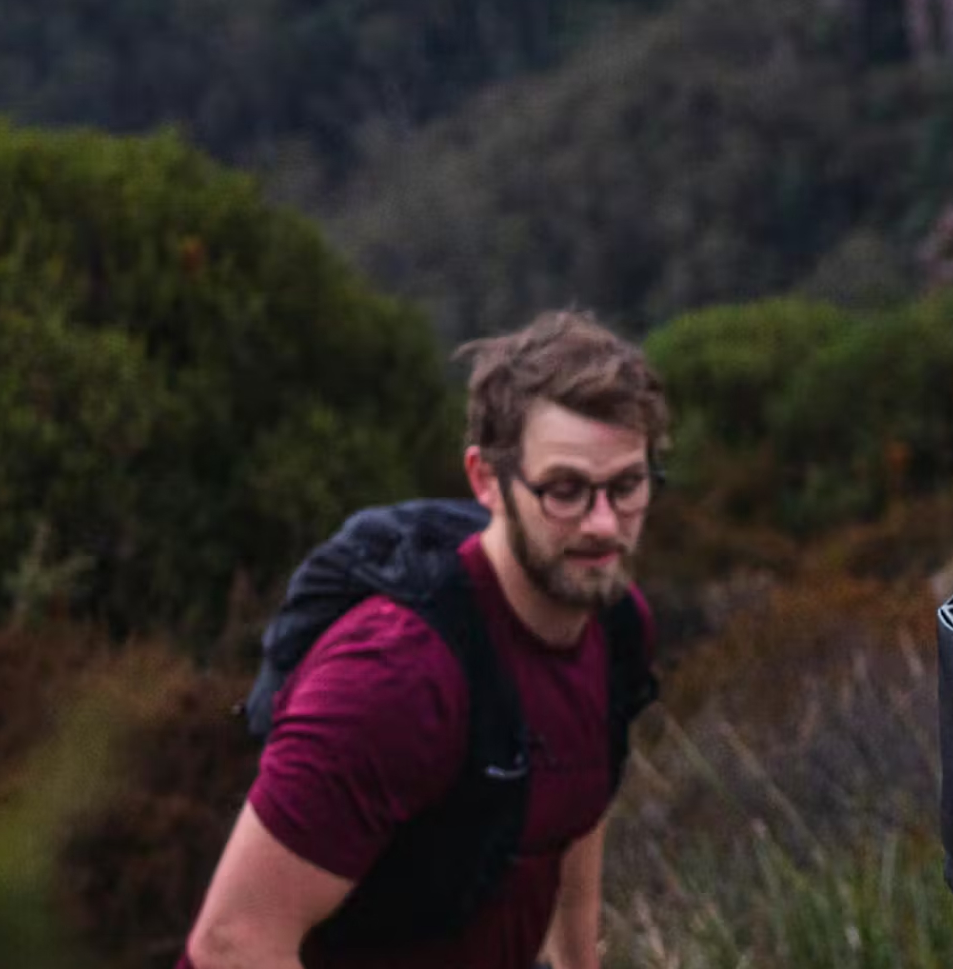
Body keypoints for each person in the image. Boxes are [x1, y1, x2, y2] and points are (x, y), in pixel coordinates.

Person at [182, 310, 665, 969]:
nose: (603, 524)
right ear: (487, 479)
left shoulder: (615, 623)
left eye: (627, 486)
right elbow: (232, 942)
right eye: (566, 490)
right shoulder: (398, 677)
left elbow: (574, 809)